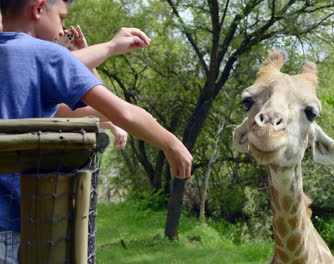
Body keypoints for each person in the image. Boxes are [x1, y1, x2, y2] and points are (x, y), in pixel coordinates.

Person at [0, 0, 192, 262]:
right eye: (61, 17)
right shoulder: (46, 55)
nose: (61, 29)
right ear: (38, 7)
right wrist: (172, 144)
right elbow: (122, 111)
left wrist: (88, 62)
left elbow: (73, 112)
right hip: (19, 227)